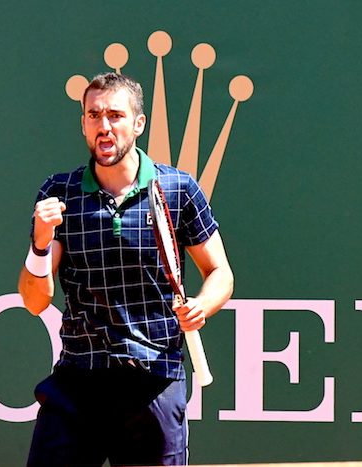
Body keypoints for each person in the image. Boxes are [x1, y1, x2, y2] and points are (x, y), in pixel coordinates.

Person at [18, 72, 234, 467]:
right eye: (94, 115)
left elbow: (220, 272)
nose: (104, 126)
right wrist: (40, 242)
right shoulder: (59, 193)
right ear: (83, 124)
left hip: (154, 379)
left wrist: (202, 305)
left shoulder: (179, 188)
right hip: (78, 379)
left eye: (115, 115)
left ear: (138, 124)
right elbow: (35, 301)